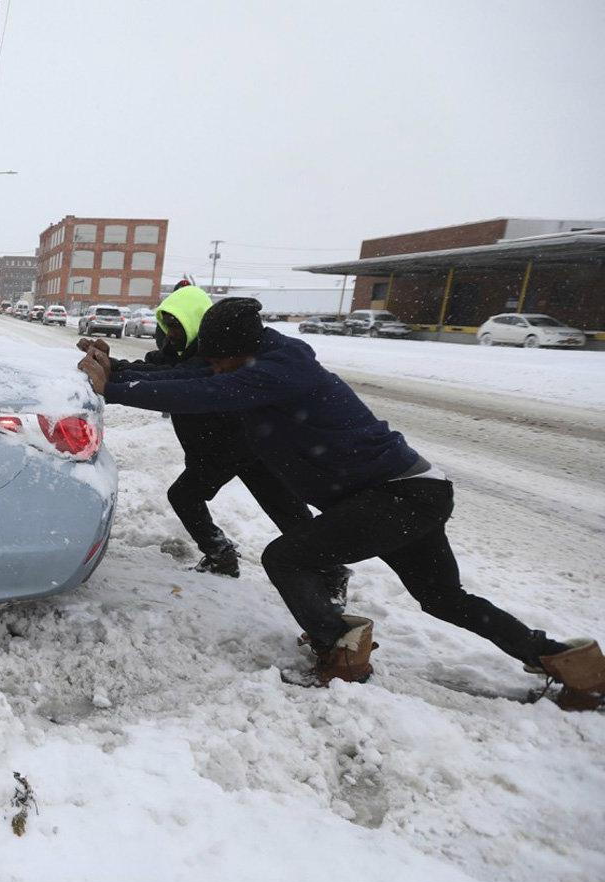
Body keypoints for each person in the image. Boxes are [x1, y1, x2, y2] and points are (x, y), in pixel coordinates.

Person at [77, 298, 603, 709]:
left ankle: (340, 651)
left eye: (221, 361)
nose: (215, 369)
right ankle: (571, 663)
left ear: (242, 351)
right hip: (415, 489)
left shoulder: (275, 373)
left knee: (286, 557)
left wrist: (116, 391)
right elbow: (196, 375)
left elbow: (207, 393)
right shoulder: (266, 355)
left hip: (398, 495)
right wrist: (118, 371)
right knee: (442, 598)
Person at [79, 284, 325, 580]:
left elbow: (182, 380)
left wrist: (113, 386)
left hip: (230, 444)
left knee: (188, 496)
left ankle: (223, 555)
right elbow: (156, 369)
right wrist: (113, 365)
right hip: (234, 444)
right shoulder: (179, 350)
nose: (170, 332)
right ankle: (325, 567)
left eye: (176, 324)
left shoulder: (216, 353)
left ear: (193, 319)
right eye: (166, 324)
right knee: (282, 505)